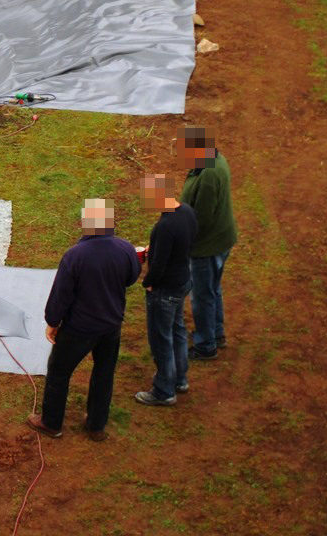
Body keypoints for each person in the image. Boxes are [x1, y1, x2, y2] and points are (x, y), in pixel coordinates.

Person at [27, 198, 140, 441]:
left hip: (79, 329)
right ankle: (96, 425)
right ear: (110, 222)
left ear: (84, 224)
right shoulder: (126, 250)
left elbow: (61, 295)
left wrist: (52, 322)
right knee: (104, 372)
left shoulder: (75, 256)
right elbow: (132, 277)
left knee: (59, 371)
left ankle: (51, 423)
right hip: (111, 326)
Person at [134, 174, 198, 407]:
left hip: (164, 291)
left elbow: (158, 266)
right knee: (178, 331)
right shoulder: (187, 213)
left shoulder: (164, 226)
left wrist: (148, 283)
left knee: (161, 339)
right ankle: (180, 379)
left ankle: (163, 390)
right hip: (182, 282)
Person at [177, 127, 237, 360]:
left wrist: (180, 240)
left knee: (202, 295)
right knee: (212, 289)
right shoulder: (214, 160)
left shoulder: (209, 177)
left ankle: (206, 345)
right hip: (221, 240)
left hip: (207, 247)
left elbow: (199, 219)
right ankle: (216, 333)